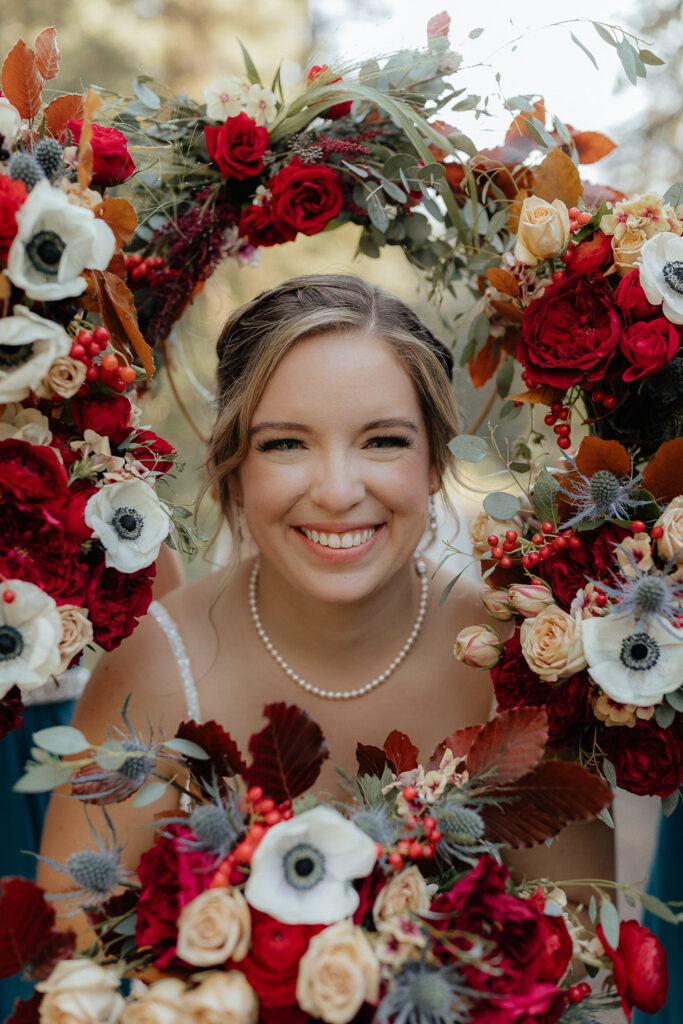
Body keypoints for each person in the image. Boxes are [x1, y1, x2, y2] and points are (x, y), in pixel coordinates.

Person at [37, 274, 613, 944]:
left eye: (382, 441)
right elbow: (72, 968)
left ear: (432, 461)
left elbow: (581, 957)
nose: (337, 492)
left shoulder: (523, 666)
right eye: (285, 443)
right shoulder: (153, 674)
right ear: (234, 467)